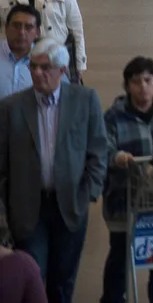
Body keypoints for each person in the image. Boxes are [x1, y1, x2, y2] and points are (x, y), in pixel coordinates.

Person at [0, 37, 105, 303]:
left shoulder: (85, 100)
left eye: (44, 67)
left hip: (70, 207)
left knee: (62, 283)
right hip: (27, 210)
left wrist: (88, 194)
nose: (36, 73)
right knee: (32, 276)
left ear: (61, 70)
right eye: (33, 67)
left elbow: (98, 150)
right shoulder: (11, 108)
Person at [100, 56, 153, 303]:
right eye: (136, 81)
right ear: (127, 86)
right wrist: (117, 158)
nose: (143, 87)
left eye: (148, 80)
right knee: (120, 255)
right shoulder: (113, 118)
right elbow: (102, 149)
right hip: (124, 202)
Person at [0, 4, 39, 98]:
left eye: (28, 27)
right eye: (16, 26)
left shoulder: (49, 59)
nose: (21, 32)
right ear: (6, 28)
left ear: (37, 32)